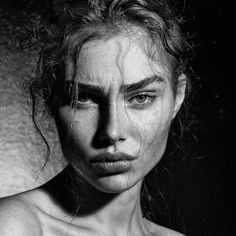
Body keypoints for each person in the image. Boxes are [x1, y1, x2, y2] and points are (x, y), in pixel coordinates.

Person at [0, 0, 192, 235]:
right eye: (84, 98)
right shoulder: (15, 226)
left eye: (141, 98)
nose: (112, 132)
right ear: (51, 99)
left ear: (177, 96)